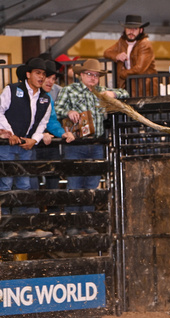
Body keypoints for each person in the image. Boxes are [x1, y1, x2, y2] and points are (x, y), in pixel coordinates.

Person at [54, 59, 128, 226]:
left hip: (96, 144)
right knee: (75, 185)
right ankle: (73, 224)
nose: (93, 78)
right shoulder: (69, 90)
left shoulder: (100, 91)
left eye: (96, 75)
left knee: (91, 187)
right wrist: (69, 111)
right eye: (89, 74)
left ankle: (86, 225)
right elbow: (56, 110)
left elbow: (125, 93)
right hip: (76, 144)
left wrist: (113, 94)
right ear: (81, 75)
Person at [0, 58, 52, 236]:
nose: (42, 77)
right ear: (28, 74)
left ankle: (25, 227)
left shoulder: (45, 98)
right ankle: (6, 228)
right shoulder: (12, 90)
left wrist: (34, 140)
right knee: (6, 183)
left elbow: (42, 123)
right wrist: (10, 132)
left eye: (43, 74)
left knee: (24, 184)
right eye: (38, 73)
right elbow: (0, 110)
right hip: (8, 144)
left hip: (25, 145)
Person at [35, 59, 75, 191]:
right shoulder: (21, 94)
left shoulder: (48, 98)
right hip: (29, 144)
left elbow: (51, 120)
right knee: (28, 183)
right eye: (47, 77)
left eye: (53, 78)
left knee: (50, 180)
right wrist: (40, 134)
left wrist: (62, 133)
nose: (50, 81)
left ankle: (49, 209)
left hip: (45, 141)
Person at [104, 15, 158, 96]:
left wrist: (122, 74)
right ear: (125, 29)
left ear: (141, 30)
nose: (131, 31)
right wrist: (117, 56)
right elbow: (106, 52)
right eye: (129, 28)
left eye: (135, 29)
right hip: (128, 85)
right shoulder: (122, 41)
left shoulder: (145, 44)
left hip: (143, 88)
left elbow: (139, 69)